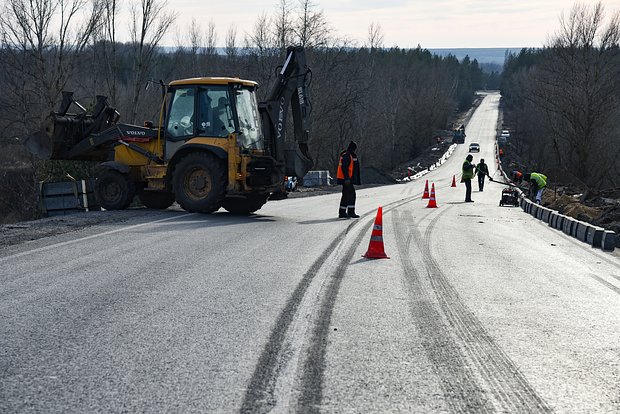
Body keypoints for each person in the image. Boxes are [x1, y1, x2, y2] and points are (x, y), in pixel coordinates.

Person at [336, 141, 361, 218]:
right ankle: (349, 212)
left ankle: (343, 212)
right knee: (350, 195)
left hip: (346, 179)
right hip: (346, 180)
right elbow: (345, 168)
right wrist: (347, 178)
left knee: (346, 195)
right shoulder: (347, 155)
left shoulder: (348, 155)